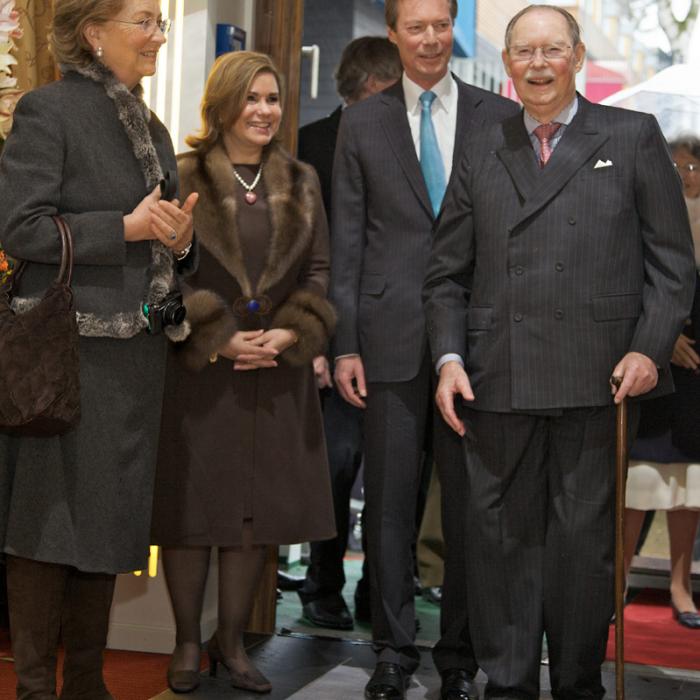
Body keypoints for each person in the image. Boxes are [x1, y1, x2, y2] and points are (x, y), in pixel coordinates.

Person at [423, 5, 696, 699]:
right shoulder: (481, 143)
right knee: (498, 546)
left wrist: (649, 349)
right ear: (507, 64)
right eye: (524, 52)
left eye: (552, 50)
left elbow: (672, 265)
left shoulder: (632, 137)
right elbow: (446, 273)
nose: (538, 64)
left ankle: (578, 684)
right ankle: (508, 684)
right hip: (496, 378)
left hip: (597, 379)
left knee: (582, 551)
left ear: (576, 57)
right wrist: (449, 359)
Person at [0, 1, 197, 698]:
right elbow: (20, 230)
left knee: (109, 532)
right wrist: (127, 226)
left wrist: (179, 240)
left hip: (135, 363)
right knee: (45, 531)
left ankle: (85, 683)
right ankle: (32, 689)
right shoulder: (48, 111)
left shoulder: (154, 124)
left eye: (159, 22)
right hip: (64, 364)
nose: (157, 35)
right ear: (92, 31)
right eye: (143, 20)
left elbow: (163, 237)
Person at [330, 1, 518, 698]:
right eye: (417, 27)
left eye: (442, 25)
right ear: (394, 35)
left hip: (476, 345)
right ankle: (391, 651)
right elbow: (348, 240)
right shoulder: (363, 121)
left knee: (472, 508)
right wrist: (344, 342)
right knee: (386, 506)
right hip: (388, 341)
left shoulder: (498, 118)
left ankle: (461, 656)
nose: (432, 38)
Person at [151, 50, 336, 695]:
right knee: (192, 513)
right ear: (224, 104)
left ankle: (230, 643)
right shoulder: (180, 174)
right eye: (253, 98)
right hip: (202, 373)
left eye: (274, 99)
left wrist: (292, 331)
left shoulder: (302, 179)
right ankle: (183, 643)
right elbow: (159, 279)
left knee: (258, 516)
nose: (265, 111)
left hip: (278, 371)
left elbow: (319, 274)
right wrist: (219, 339)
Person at [297, 35, 402, 632]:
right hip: (332, 332)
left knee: (398, 473)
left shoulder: (412, 142)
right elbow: (305, 251)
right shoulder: (311, 145)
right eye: (386, 93)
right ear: (360, 90)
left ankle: (384, 591)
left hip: (397, 334)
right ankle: (323, 583)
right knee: (334, 465)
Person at [623, 136, 700, 630]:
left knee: (689, 488)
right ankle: (617, 578)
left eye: (692, 166)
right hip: (654, 362)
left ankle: (680, 584)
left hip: (698, 378)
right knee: (639, 481)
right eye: (674, 167)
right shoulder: (643, 218)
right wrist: (664, 337)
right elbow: (634, 285)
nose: (685, 174)